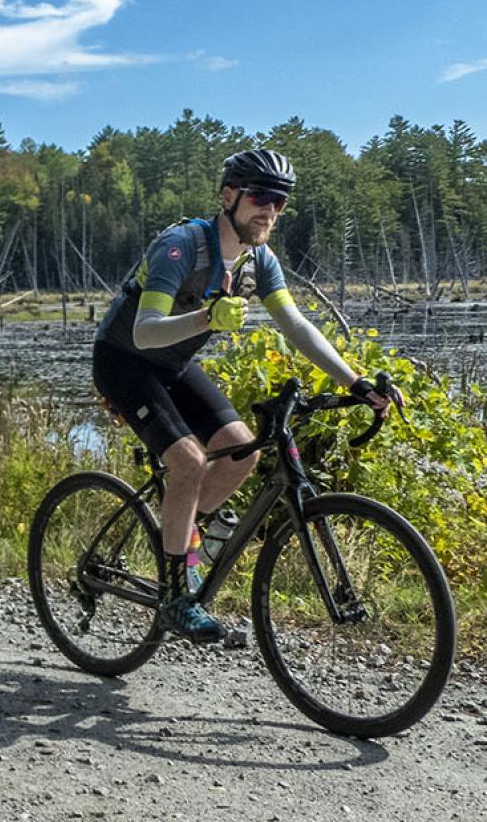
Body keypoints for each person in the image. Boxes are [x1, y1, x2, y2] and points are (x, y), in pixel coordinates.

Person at [93, 149, 400, 643]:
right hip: (125, 360)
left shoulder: (260, 261)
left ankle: (185, 541)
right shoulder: (181, 247)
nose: (269, 211)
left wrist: (354, 382)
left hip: (173, 364)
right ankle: (175, 596)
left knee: (241, 451)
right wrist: (205, 319)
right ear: (228, 195)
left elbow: (297, 325)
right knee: (189, 462)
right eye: (259, 197)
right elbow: (146, 331)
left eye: (279, 203)